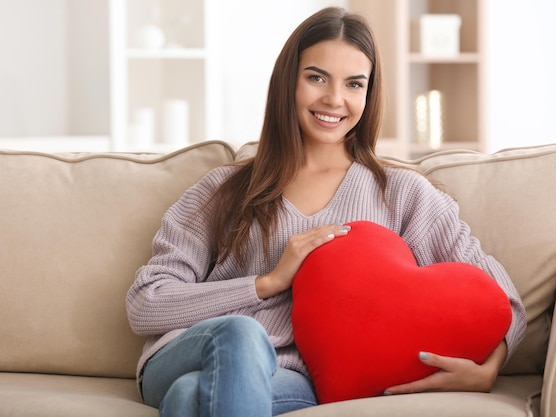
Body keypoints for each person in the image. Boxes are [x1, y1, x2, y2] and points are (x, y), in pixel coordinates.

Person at [126, 6, 527, 417]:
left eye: (354, 84)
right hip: (186, 352)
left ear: (369, 94)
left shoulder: (403, 195)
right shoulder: (222, 192)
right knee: (239, 336)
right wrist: (266, 283)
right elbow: (146, 304)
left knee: (190, 399)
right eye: (316, 77)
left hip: (288, 377)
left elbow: (504, 301)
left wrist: (488, 369)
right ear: (288, 82)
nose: (334, 99)